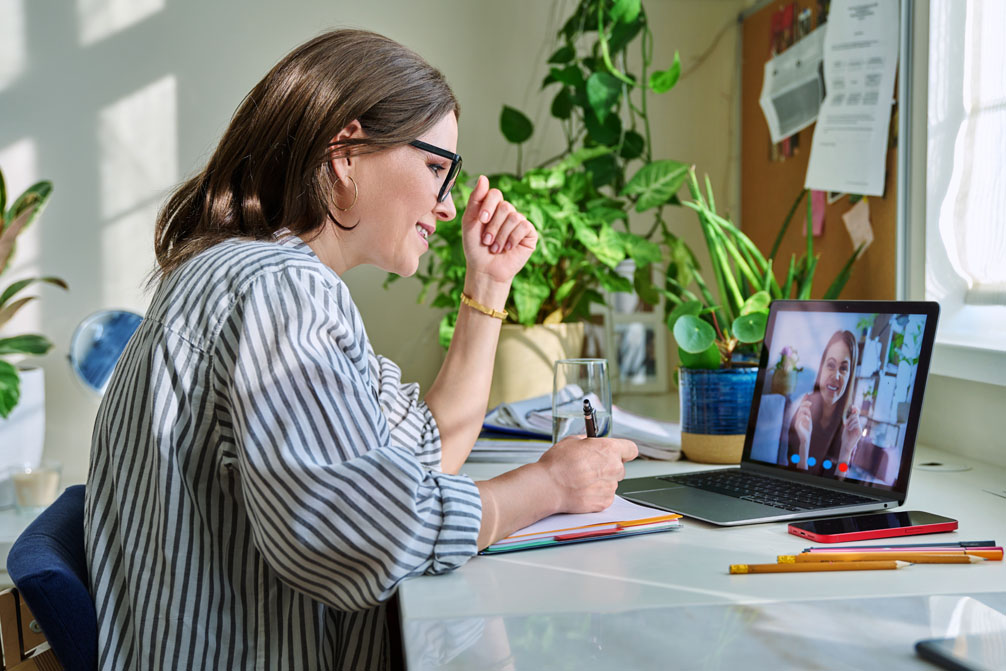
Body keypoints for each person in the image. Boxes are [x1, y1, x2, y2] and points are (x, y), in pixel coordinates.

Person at [84, 29, 637, 671]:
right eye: (437, 168)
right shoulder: (277, 288)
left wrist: (488, 283)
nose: (450, 206)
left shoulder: (254, 275)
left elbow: (425, 449)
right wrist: (550, 484)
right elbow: (362, 534)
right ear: (346, 153)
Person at [786, 329, 863, 478]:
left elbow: (839, 485)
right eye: (831, 365)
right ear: (821, 369)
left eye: (844, 368)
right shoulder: (802, 411)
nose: (836, 375)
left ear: (850, 376)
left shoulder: (850, 427)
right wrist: (804, 443)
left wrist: (846, 451)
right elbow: (792, 478)